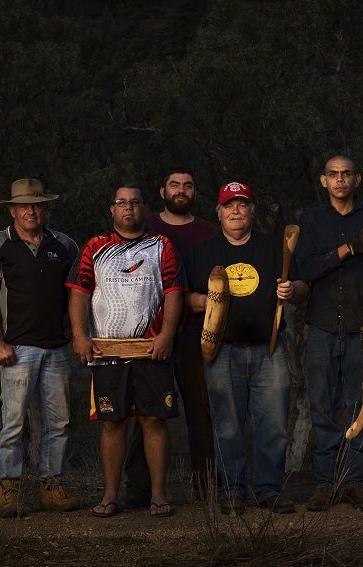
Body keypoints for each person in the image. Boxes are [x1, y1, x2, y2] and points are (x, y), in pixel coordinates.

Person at [186, 181, 309, 516]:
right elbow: (186, 298)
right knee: (227, 425)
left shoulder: (274, 249)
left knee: (274, 425)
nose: (236, 211)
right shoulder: (203, 253)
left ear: (252, 210)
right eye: (229, 205)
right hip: (222, 350)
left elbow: (301, 289)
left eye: (242, 205)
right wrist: (205, 300)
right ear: (219, 212)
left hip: (269, 351)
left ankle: (269, 490)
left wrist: (291, 290)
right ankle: (232, 491)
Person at [67, 184, 184, 519]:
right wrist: (79, 335)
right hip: (107, 351)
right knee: (112, 423)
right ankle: (109, 496)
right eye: (122, 203)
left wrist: (167, 335)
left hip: (151, 349)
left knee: (154, 420)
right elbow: (79, 292)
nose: (129, 208)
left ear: (145, 208)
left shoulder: (162, 245)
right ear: (112, 209)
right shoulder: (95, 246)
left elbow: (175, 292)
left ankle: (158, 496)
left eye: (135, 202)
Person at [0, 178, 79, 517]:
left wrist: (74, 327)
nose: (31, 210)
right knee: (13, 422)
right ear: (12, 209)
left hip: (58, 348)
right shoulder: (0, 243)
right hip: (17, 349)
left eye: (37, 204)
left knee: (58, 422)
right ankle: (8, 486)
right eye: (23, 205)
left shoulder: (64, 244)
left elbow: (78, 292)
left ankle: (51, 484)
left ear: (45, 207)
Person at [296, 155, 363, 512]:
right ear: (323, 181)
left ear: (357, 178)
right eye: (333, 175)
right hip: (321, 325)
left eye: (346, 174)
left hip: (361, 324)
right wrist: (347, 248)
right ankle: (325, 483)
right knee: (321, 404)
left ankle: (355, 482)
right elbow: (306, 268)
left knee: (361, 403)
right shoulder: (312, 219)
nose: (339, 180)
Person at [122, 167, 218, 507]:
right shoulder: (145, 228)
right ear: (162, 191)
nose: (181, 191)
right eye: (175, 185)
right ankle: (138, 490)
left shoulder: (208, 232)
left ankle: (207, 487)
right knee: (146, 413)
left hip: (195, 336)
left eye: (188, 186)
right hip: (148, 334)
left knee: (201, 411)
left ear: (195, 193)